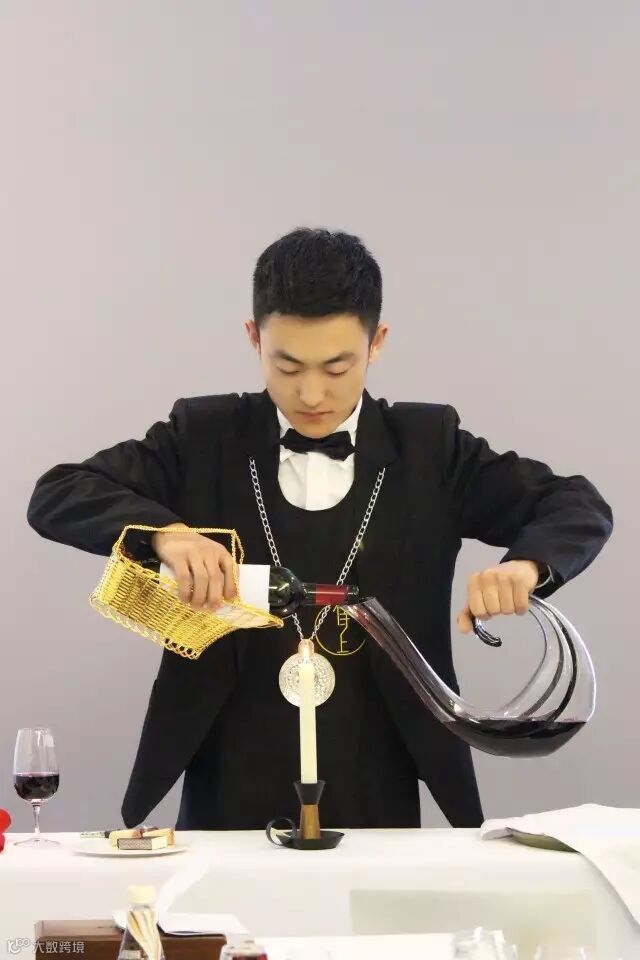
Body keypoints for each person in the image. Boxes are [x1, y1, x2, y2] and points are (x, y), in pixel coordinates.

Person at [27, 228, 613, 830]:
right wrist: (165, 533)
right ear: (254, 338)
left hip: (379, 765)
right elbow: (58, 492)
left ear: (376, 342)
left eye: (338, 367)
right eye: (287, 366)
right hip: (227, 764)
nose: (311, 394)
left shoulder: (430, 447)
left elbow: (577, 504)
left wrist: (525, 566)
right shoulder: (204, 435)